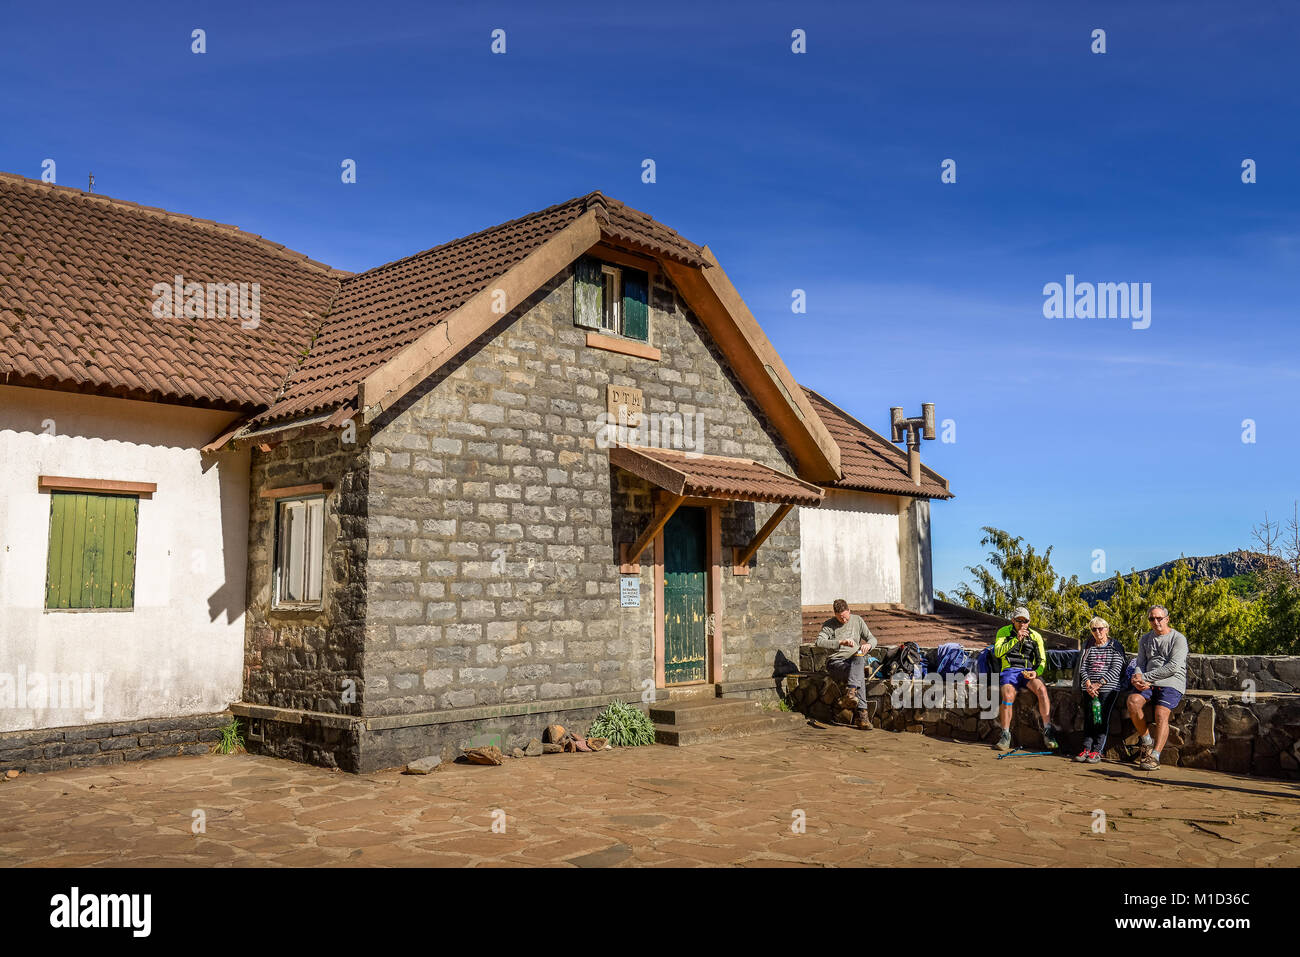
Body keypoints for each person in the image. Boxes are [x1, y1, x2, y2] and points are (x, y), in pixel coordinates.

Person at [1126, 605, 1189, 770]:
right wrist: (1137, 678)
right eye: (1151, 619)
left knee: (1161, 713)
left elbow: (1173, 667)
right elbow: (1140, 663)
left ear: (1167, 619)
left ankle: (1155, 756)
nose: (1155, 621)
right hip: (1148, 681)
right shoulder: (1145, 639)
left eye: (1159, 618)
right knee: (1133, 701)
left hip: (1171, 681)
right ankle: (1146, 740)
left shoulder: (1178, 638)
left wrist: (1145, 677)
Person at [989, 606, 1059, 751]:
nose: (1022, 624)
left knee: (1042, 690)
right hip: (1009, 670)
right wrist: (1016, 639)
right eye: (1019, 620)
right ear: (1013, 620)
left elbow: (1042, 660)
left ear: (1029, 621)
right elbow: (997, 653)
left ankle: (1048, 731)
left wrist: (1036, 672)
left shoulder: (1035, 636)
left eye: (1025, 621)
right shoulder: (1003, 632)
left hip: (1027, 671)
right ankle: (1005, 735)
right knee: (1008, 696)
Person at [814, 599, 878, 729]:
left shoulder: (858, 620)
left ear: (849, 611)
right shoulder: (829, 625)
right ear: (835, 614)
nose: (843, 620)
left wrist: (869, 645)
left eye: (845, 617)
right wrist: (841, 642)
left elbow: (872, 638)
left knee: (859, 657)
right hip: (836, 662)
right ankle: (862, 716)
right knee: (858, 673)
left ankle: (851, 693)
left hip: (855, 660)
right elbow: (819, 642)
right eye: (840, 618)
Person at [1073, 616, 1127, 763]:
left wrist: (1099, 684)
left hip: (1108, 688)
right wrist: (1089, 684)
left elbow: (1116, 668)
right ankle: (1086, 748)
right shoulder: (1089, 646)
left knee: (1101, 718)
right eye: (1094, 629)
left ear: (1107, 630)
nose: (1097, 632)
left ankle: (1098, 750)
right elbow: (1083, 667)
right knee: (1089, 718)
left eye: (1100, 628)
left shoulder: (1115, 646)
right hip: (1089, 688)